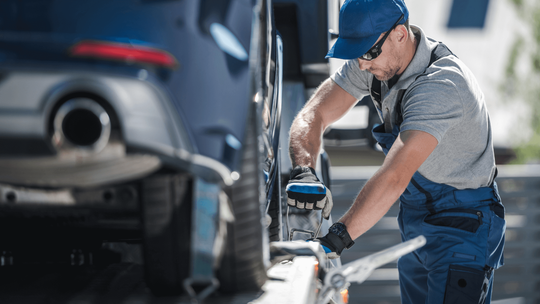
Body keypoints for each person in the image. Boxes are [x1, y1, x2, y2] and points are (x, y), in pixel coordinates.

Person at [285, 0, 506, 303]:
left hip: (464, 227)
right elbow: (312, 115)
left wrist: (334, 239)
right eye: (357, 52)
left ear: (400, 34)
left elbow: (394, 176)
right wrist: (304, 171)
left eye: (368, 52)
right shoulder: (376, 62)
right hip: (417, 222)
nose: (362, 64)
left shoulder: (442, 85)